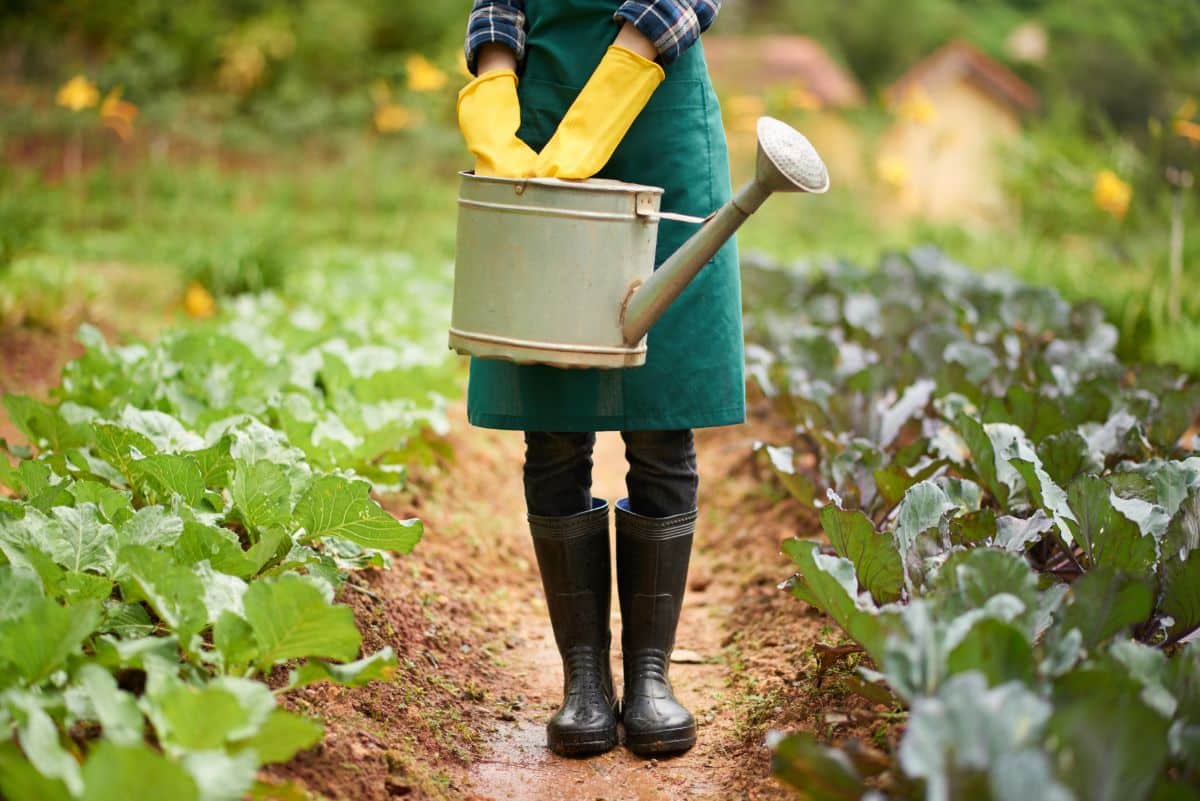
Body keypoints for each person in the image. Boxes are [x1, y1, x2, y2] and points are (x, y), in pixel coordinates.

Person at [456, 0, 741, 758]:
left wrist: (621, 72)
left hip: (658, 112)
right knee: (552, 417)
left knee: (659, 413)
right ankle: (583, 680)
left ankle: (650, 678)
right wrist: (494, 94)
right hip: (541, 115)